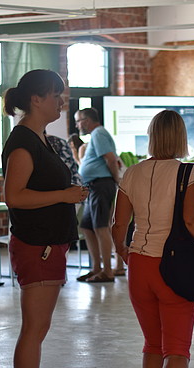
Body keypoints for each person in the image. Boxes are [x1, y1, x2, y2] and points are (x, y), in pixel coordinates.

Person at [112, 110, 194, 368]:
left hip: (139, 266)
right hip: (175, 267)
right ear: (180, 136)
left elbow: (118, 226)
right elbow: (193, 220)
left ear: (153, 135)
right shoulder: (189, 172)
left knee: (153, 345)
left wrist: (124, 253)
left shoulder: (133, 172)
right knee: (178, 350)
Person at [2, 69, 87, 368]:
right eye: (55, 95)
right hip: (37, 246)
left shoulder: (40, 137)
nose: (60, 102)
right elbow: (14, 196)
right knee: (33, 330)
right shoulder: (23, 141)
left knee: (39, 328)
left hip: (50, 245)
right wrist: (64, 195)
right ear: (36, 100)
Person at [74, 107, 119, 283]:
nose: (77, 125)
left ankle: (107, 271)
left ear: (86, 120)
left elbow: (110, 158)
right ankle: (96, 268)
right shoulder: (95, 135)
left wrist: (116, 180)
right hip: (92, 187)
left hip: (101, 185)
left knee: (101, 227)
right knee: (86, 226)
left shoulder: (99, 133)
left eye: (78, 121)